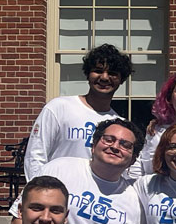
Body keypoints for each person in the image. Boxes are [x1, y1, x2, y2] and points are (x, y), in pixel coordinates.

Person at [15, 117, 147, 224]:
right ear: (94, 145)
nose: (115, 146)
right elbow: (20, 218)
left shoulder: (134, 201)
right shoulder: (58, 169)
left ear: (133, 159)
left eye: (125, 145)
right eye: (109, 139)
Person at [24, 45, 129, 178]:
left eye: (112, 73)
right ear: (88, 74)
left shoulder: (118, 125)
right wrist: (37, 191)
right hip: (55, 193)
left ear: (121, 79)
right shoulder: (59, 107)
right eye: (98, 71)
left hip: (91, 197)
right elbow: (35, 155)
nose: (104, 77)